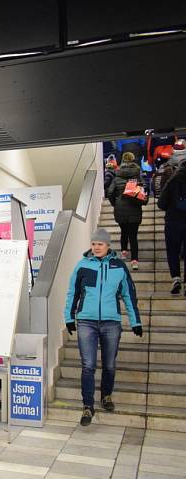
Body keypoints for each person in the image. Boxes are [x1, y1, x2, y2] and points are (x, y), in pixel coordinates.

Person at [64, 228, 143, 426]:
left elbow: (128, 295)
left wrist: (135, 321)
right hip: (86, 322)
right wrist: (69, 317)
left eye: (100, 244)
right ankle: (88, 406)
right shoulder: (82, 265)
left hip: (111, 322)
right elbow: (72, 293)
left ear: (108, 246)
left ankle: (106, 395)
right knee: (88, 365)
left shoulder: (119, 266)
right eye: (94, 244)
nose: (96, 247)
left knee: (109, 364)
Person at [107, 152, 147, 270]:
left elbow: (110, 193)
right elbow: (143, 190)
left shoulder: (117, 176)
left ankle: (124, 252)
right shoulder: (137, 176)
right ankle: (134, 261)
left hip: (120, 209)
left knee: (124, 231)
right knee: (133, 236)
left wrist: (116, 203)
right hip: (134, 208)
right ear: (133, 160)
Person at [157, 161, 186, 295]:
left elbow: (161, 204)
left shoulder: (172, 181)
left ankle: (176, 279)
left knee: (173, 252)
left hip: (173, 222)